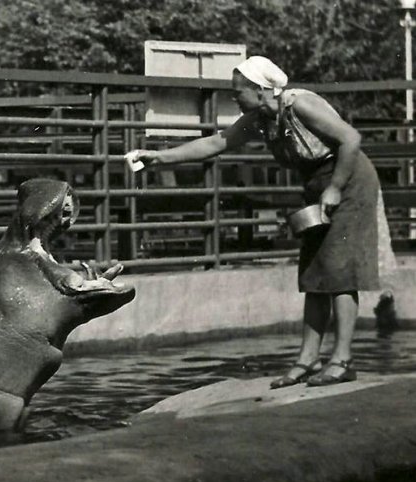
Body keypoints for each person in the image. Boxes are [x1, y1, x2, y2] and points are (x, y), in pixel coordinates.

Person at [125, 56, 381, 387]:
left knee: (340, 271)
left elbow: (351, 139)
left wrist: (334, 188)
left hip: (349, 180)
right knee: (315, 269)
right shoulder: (259, 118)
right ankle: (308, 359)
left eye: (238, 92)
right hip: (317, 183)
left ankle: (343, 359)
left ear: (261, 91)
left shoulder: (298, 104)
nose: (234, 98)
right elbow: (216, 143)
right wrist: (159, 156)